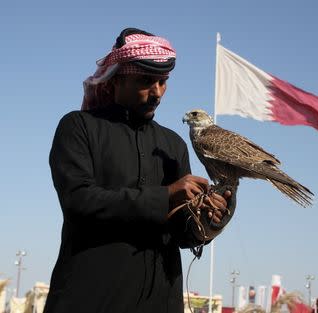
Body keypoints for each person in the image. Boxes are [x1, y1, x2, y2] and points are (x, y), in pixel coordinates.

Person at [44, 27, 231, 313]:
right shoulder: (78, 127)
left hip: (160, 302)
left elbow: (181, 233)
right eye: (145, 81)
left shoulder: (173, 144)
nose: (156, 92)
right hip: (89, 298)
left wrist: (210, 218)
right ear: (117, 78)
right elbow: (78, 202)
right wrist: (166, 195)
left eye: (163, 82)